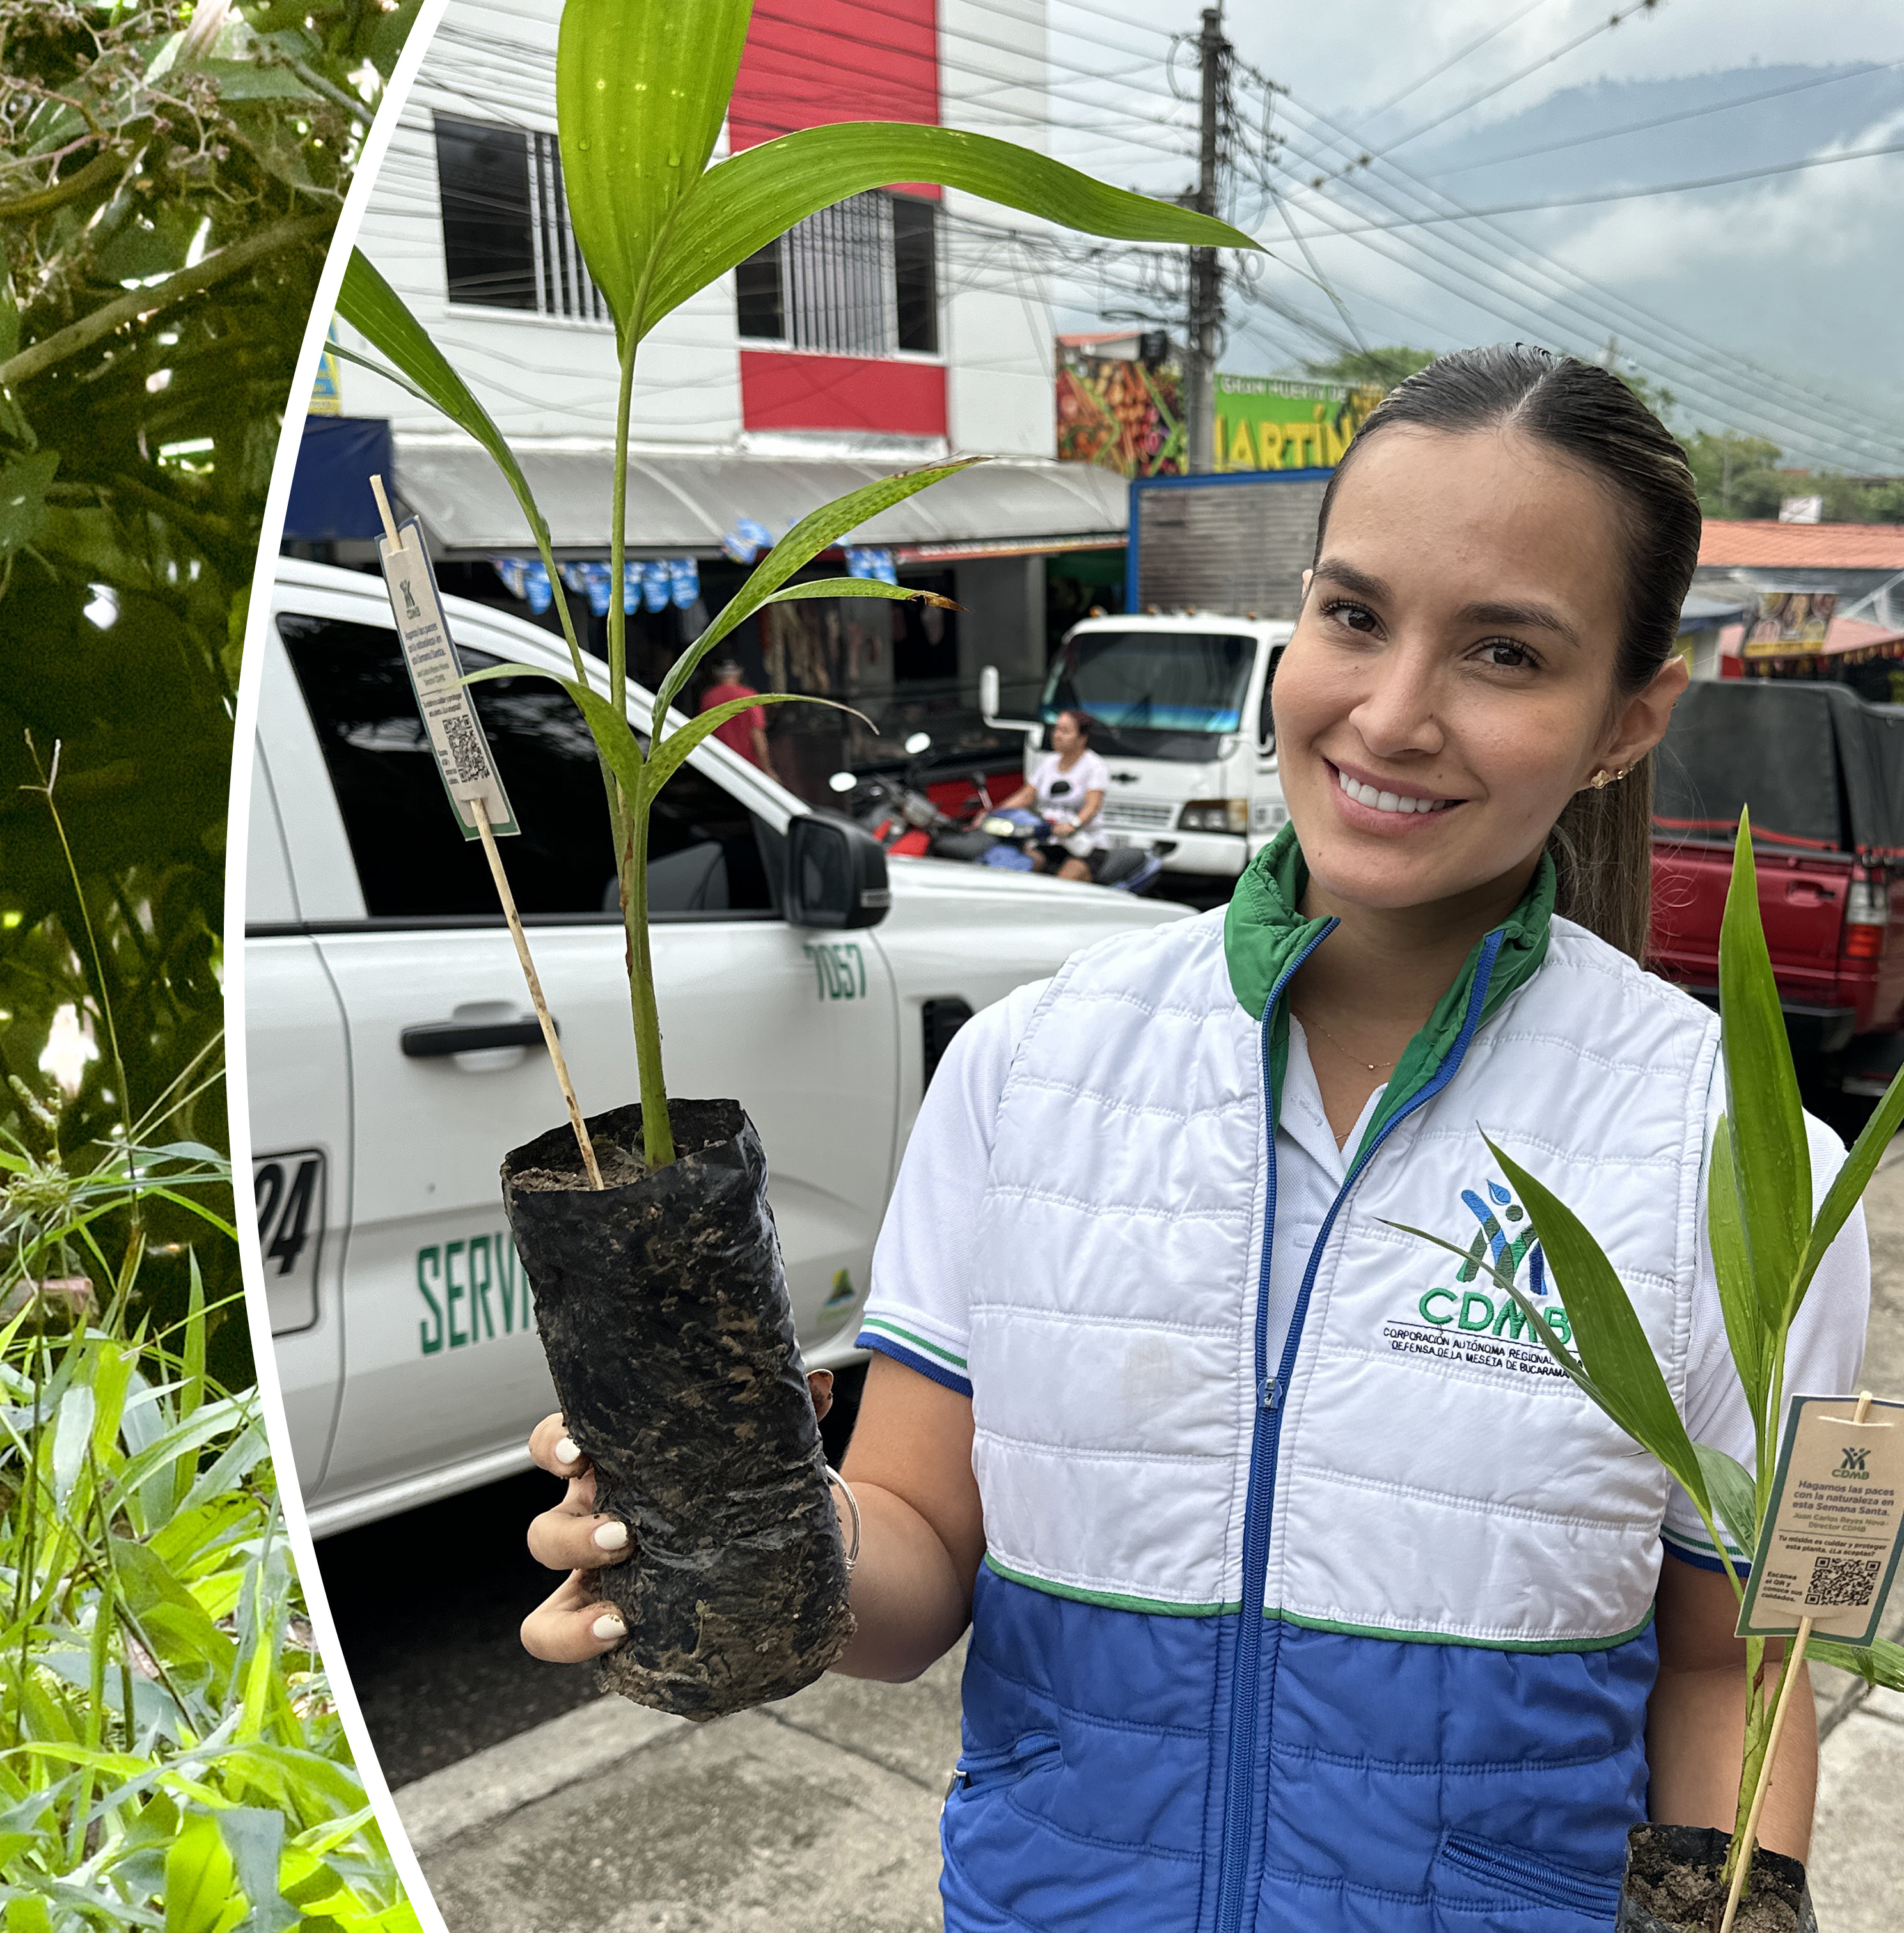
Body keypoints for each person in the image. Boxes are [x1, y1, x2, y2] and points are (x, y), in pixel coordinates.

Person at [518, 347, 1871, 1931]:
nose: (1392, 710)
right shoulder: (1031, 1073)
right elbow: (923, 1556)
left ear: (1632, 714)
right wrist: (747, 1521)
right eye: (1353, 615)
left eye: (1503, 651)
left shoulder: (1745, 1159)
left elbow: (1750, 1656)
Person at [987, 706, 1108, 880]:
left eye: (1065, 731)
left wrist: (1072, 825)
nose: (1057, 735)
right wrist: (994, 813)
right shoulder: (1048, 763)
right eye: (1056, 729)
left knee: (1063, 883)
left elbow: (1093, 806)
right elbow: (1026, 796)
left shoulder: (1095, 766)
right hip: (1049, 840)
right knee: (1015, 872)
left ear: (1082, 738)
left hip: (1084, 845)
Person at [698, 657, 772, 775]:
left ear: (716, 673)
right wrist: (768, 769)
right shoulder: (750, 696)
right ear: (739, 672)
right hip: (748, 767)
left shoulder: (709, 698)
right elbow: (757, 735)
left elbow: (704, 734)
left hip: (718, 766)